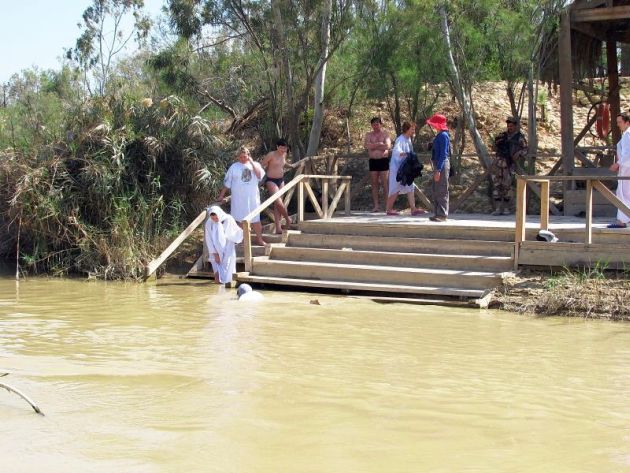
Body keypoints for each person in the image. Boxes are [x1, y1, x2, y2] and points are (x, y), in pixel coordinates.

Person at [217, 146, 266, 246]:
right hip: (238, 199)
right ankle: (242, 241)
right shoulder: (234, 167)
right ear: (238, 157)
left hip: (252, 199)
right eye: (240, 157)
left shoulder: (255, 165)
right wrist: (221, 195)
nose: (243, 159)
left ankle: (259, 239)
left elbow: (260, 176)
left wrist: (251, 162)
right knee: (239, 220)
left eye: (245, 156)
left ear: (249, 155)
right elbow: (227, 183)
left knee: (256, 220)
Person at [385, 121, 425, 216]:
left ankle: (413, 209)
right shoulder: (401, 139)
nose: (413, 131)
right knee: (395, 188)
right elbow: (397, 151)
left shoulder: (408, 139)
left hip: (405, 168)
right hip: (397, 168)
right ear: (407, 129)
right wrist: (407, 154)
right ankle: (389, 209)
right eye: (412, 129)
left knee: (410, 186)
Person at [490, 116, 528, 215]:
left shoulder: (519, 137)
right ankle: (498, 209)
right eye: (508, 125)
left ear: (515, 126)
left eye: (511, 125)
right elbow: (494, 148)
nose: (509, 127)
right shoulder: (502, 136)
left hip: (509, 164)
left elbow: (526, 149)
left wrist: (518, 153)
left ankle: (506, 209)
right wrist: (497, 143)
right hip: (499, 163)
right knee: (497, 185)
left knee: (507, 186)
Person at [205, 206, 244, 284]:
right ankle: (218, 286)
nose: (215, 220)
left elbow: (235, 232)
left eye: (216, 218)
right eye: (213, 218)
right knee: (215, 264)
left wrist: (243, 232)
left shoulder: (228, 219)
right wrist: (215, 253)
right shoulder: (209, 223)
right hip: (214, 247)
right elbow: (208, 238)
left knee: (228, 265)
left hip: (228, 246)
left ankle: (228, 283)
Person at [261, 139, 292, 234]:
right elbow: (262, 165)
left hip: (281, 180)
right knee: (278, 202)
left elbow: (283, 163)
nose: (283, 149)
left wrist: (291, 166)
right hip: (271, 180)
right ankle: (288, 218)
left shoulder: (284, 154)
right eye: (281, 147)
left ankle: (278, 228)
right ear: (277, 147)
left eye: (285, 147)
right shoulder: (271, 154)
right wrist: (260, 179)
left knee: (277, 205)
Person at [363, 117, 392, 212]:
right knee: (374, 184)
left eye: (377, 124)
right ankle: (376, 206)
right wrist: (380, 144)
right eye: (374, 124)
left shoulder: (385, 134)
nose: (376, 126)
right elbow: (367, 146)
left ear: (380, 124)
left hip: (383, 161)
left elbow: (387, 146)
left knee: (385, 183)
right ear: (371, 125)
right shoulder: (368, 135)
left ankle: (388, 206)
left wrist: (374, 145)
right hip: (373, 161)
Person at [426, 113, 450, 222]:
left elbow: (443, 154)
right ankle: (437, 213)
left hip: (442, 164)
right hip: (438, 164)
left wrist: (438, 170)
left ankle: (442, 214)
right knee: (436, 189)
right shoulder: (439, 135)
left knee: (442, 190)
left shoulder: (444, 135)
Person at [608, 113, 630, 228]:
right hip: (625, 167)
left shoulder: (628, 135)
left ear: (627, 122)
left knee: (622, 193)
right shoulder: (625, 135)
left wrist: (618, 164)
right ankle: (624, 219)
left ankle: (622, 221)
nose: (618, 124)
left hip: (627, 168)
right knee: (625, 193)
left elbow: (628, 154)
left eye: (620, 122)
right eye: (617, 122)